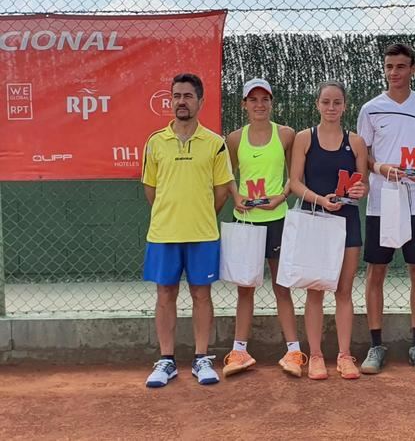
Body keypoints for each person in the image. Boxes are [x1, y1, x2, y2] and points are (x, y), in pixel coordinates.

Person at [142, 73, 240, 388]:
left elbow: (223, 189)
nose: (181, 102)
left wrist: (200, 214)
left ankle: (201, 359)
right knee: (165, 294)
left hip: (203, 234)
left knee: (201, 294)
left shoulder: (214, 143)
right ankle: (167, 361)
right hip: (163, 234)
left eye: (187, 96)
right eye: (176, 96)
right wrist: (172, 213)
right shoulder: (155, 142)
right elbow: (150, 190)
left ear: (200, 101)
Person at [356, 43, 415, 374]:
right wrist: (380, 169)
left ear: (412, 69)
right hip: (381, 202)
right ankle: (376, 346)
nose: (394, 72)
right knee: (377, 272)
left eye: (401, 66)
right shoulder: (370, 109)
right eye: (389, 66)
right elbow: (364, 155)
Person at [221, 78, 307, 378]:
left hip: (277, 218)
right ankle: (240, 351)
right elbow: (228, 174)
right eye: (253, 99)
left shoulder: (286, 134)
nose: (259, 105)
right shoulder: (233, 139)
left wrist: (281, 197)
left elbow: (295, 174)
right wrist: (236, 196)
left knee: (282, 287)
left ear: (271, 102)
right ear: (244, 104)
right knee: (245, 289)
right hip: (245, 221)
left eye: (264, 99)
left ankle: (294, 351)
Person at [289, 80, 368, 380]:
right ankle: (317, 356)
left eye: (337, 102)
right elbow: (295, 182)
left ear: (345, 106)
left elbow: (363, 183)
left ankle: (345, 356)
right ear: (317, 105)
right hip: (315, 222)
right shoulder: (304, 139)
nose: (331, 108)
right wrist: (320, 200)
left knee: (344, 291)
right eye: (326, 102)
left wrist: (360, 189)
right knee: (315, 291)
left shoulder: (357, 143)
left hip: (347, 223)